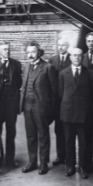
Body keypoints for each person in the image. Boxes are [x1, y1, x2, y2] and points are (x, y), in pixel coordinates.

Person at [19, 42, 56, 174]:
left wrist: (50, 110)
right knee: (31, 136)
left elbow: (54, 92)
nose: (30, 55)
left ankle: (44, 163)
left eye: (33, 52)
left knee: (43, 136)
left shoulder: (48, 67)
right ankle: (32, 162)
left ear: (39, 53)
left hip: (41, 108)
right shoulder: (26, 66)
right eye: (28, 52)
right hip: (27, 106)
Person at [58, 46, 93, 177]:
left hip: (84, 114)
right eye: (74, 55)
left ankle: (83, 167)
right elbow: (60, 93)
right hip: (68, 112)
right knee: (68, 141)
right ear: (70, 57)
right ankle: (70, 166)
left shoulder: (89, 73)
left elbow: (91, 94)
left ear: (82, 57)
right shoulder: (63, 73)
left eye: (79, 55)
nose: (77, 57)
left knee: (84, 141)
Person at [0, 41, 22, 169]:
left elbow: (19, 83)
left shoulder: (16, 64)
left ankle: (10, 160)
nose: (7, 51)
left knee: (11, 132)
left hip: (11, 103)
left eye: (8, 49)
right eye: (4, 49)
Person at [51, 35, 73, 165]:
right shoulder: (52, 60)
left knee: (69, 130)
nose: (61, 47)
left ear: (68, 46)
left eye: (63, 45)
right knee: (58, 130)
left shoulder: (73, 59)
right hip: (56, 102)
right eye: (59, 45)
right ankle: (60, 156)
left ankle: (70, 157)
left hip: (69, 101)